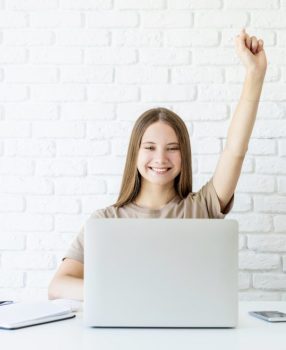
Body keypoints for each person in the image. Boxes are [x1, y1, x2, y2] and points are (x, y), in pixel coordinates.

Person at [48, 29, 267, 301]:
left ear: (184, 155)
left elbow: (235, 150)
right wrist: (122, 292)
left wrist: (254, 75)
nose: (161, 159)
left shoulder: (201, 207)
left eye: (173, 149)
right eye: (150, 148)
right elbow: (58, 286)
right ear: (135, 154)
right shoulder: (106, 221)